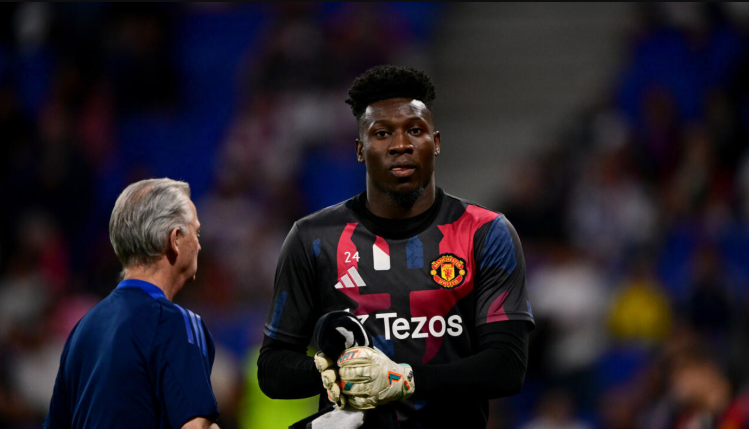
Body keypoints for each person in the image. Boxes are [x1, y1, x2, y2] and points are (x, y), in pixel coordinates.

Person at [257, 65, 535, 428]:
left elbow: (507, 367)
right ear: (360, 149)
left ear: (436, 142)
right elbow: (272, 369)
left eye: (415, 130)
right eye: (382, 133)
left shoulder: (485, 232)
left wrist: (402, 380)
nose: (400, 144)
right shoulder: (313, 238)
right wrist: (333, 374)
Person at [44, 178, 220, 429]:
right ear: (175, 239)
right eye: (196, 232)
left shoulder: (82, 330)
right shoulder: (176, 322)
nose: (200, 245)